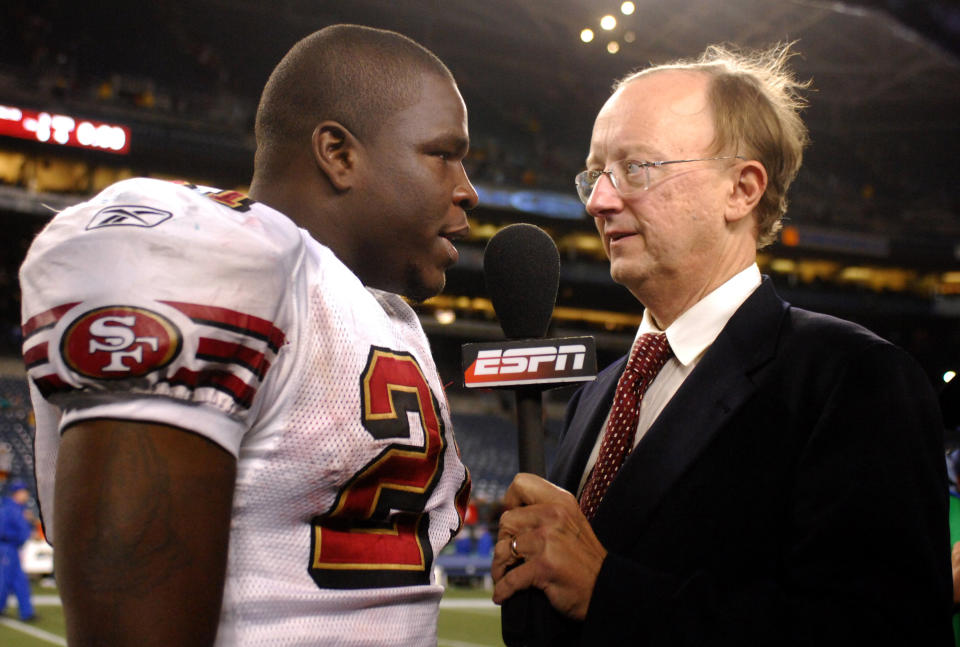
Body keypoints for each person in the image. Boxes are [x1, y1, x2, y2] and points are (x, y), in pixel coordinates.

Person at [19, 24, 477, 646]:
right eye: (443, 154)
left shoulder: (388, 316)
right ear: (339, 154)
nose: (466, 190)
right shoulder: (205, 247)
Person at [491, 43, 952, 646]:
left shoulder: (854, 379)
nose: (599, 201)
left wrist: (608, 590)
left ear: (742, 189)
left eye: (636, 168)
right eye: (595, 173)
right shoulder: (598, 396)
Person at [0, 480, 35, 622]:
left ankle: (27, 612)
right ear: (17, 493)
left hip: (14, 548)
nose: (26, 494)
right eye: (23, 491)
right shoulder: (8, 509)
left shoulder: (19, 509)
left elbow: (23, 529)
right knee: (4, 580)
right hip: (7, 547)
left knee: (20, 581)